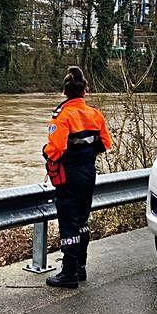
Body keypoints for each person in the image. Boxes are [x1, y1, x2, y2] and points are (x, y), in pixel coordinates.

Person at [42, 66, 113, 288]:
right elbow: (106, 144)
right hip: (88, 173)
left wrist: (46, 151)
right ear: (85, 90)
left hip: (69, 176)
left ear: (65, 91)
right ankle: (80, 267)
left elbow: (55, 150)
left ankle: (69, 272)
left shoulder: (62, 117)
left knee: (69, 223)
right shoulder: (95, 114)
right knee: (82, 220)